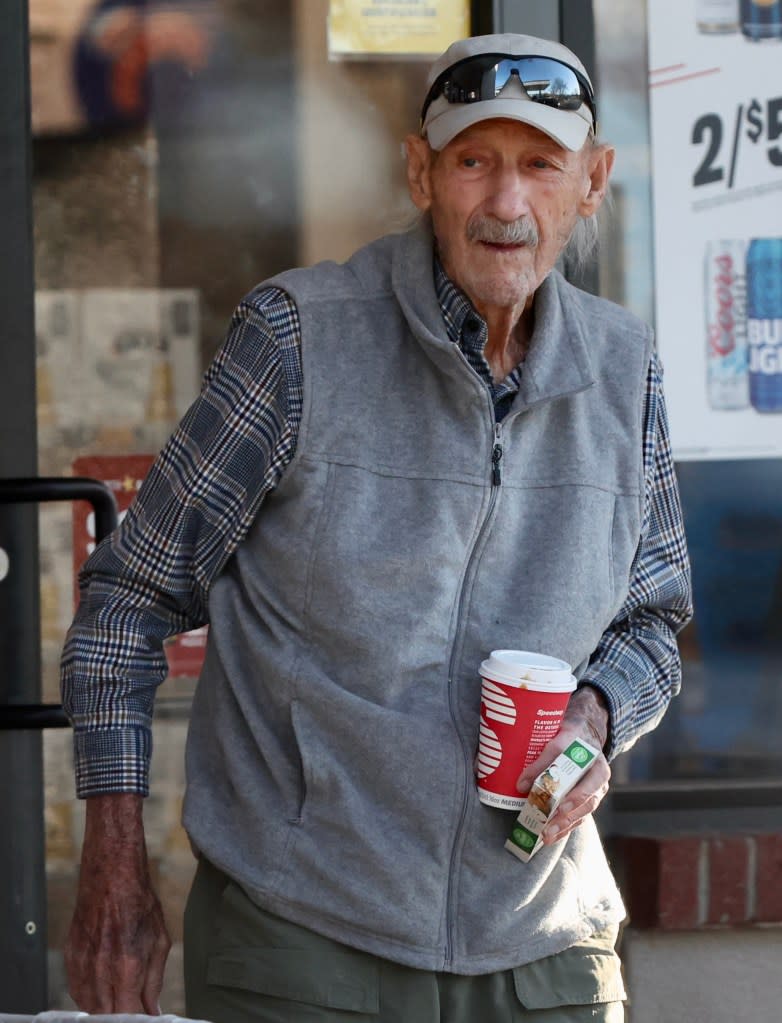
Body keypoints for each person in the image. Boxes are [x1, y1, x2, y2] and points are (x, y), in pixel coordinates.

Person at [61, 31, 692, 1023]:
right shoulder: (298, 340)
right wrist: (114, 863)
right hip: (304, 944)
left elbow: (652, 623)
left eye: (539, 166)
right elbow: (128, 599)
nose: (505, 204)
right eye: (472, 160)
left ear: (592, 183)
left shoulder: (623, 370)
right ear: (418, 174)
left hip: (545, 950)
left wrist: (598, 712)